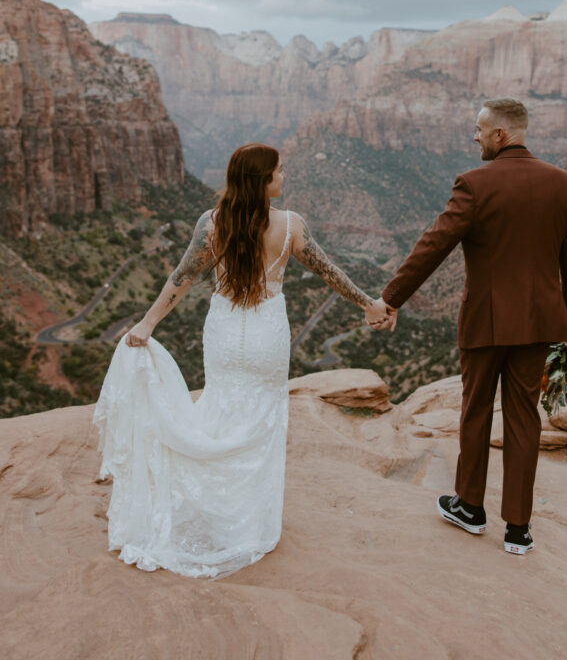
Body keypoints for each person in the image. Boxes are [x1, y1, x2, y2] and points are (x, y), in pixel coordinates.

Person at [94, 143, 391, 578]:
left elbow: (181, 277)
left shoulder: (212, 223)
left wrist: (147, 325)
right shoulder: (290, 226)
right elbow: (329, 272)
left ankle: (210, 509)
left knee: (219, 410)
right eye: (279, 172)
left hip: (226, 332)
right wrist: (369, 304)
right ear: (262, 181)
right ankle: (247, 522)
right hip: (268, 334)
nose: (284, 177)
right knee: (262, 421)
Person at [376, 98, 567, 555]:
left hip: (486, 322)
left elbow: (433, 244)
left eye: (479, 129)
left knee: (475, 412)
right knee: (523, 419)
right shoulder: (565, 184)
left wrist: (390, 298)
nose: (474, 136)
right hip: (538, 324)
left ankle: (470, 508)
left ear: (500, 135)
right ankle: (518, 529)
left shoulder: (474, 184)